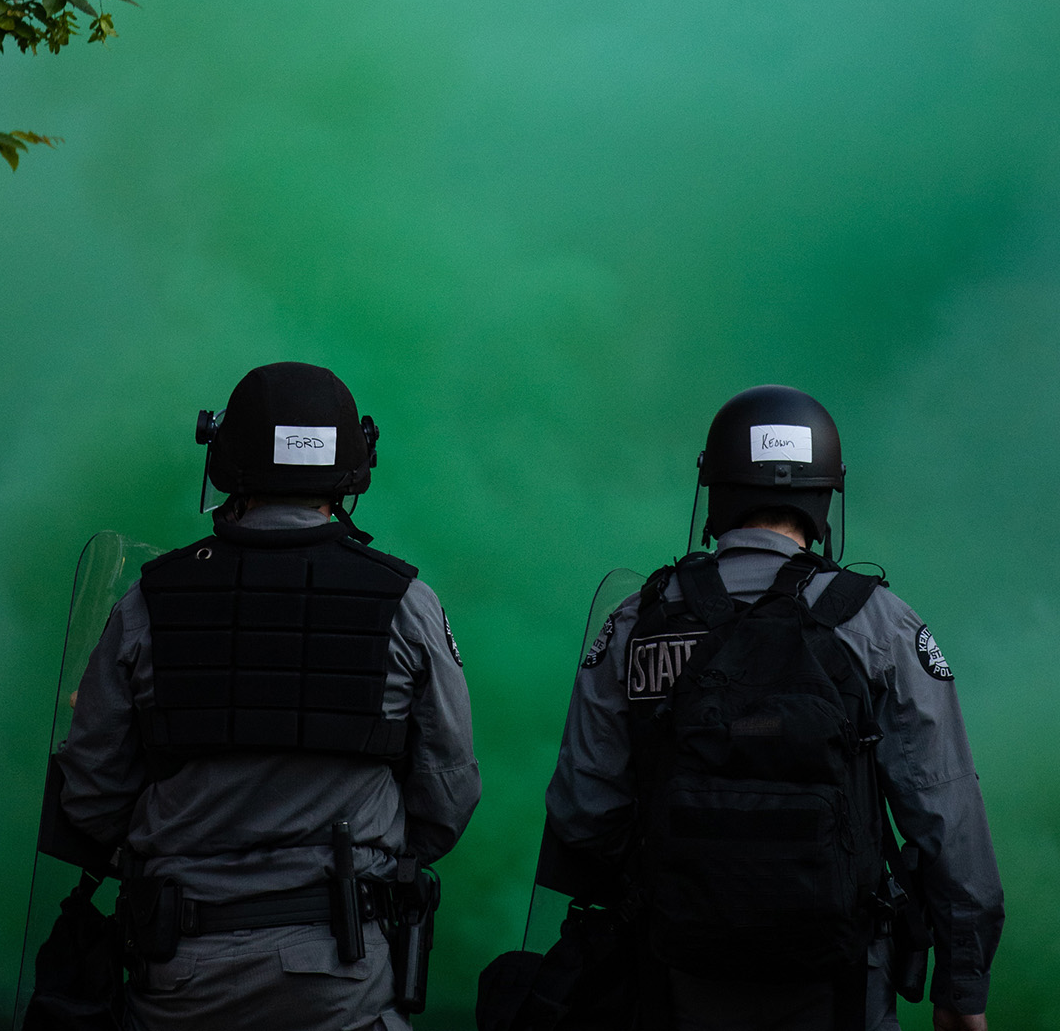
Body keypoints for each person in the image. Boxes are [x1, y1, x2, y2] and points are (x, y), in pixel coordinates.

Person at [544, 385, 1003, 1031]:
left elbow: (580, 813)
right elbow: (946, 818)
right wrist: (961, 986)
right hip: (840, 990)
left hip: (671, 982)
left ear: (715, 490)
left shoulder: (635, 625)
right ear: (824, 498)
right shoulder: (880, 625)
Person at [57, 361, 480, 1031]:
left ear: (226, 457)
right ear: (353, 464)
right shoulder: (408, 603)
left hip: (178, 977)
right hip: (343, 980)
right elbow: (449, 795)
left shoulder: (147, 601)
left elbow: (90, 793)